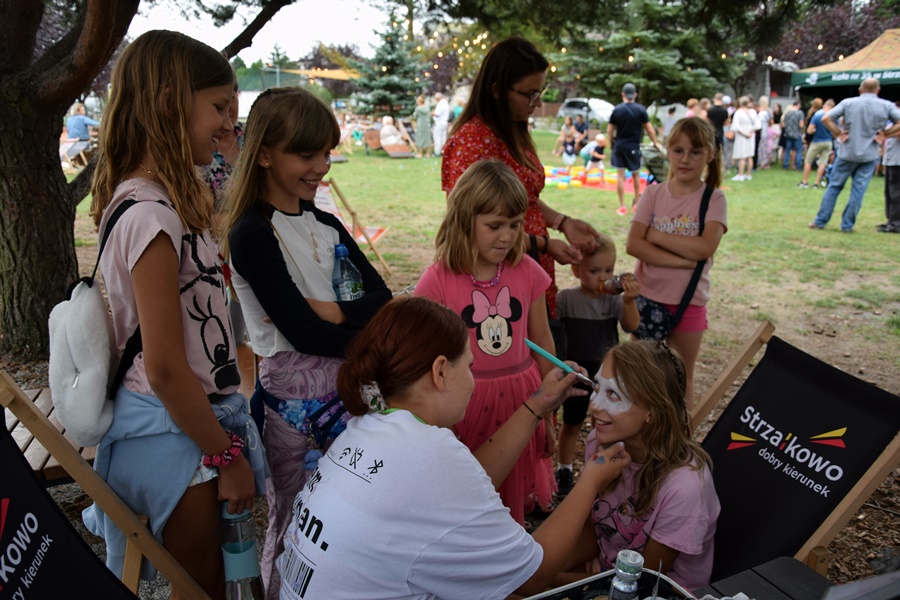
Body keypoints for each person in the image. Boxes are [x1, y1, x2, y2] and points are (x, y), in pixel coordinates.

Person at [275, 296, 631, 600]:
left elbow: (459, 493)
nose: (472, 381)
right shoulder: (429, 451)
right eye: (470, 366)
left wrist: (538, 404)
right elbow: (532, 576)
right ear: (441, 371)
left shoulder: (368, 427)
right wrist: (590, 482)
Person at [82, 30, 266, 599]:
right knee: (203, 585)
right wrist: (225, 455)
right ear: (168, 103)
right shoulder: (150, 215)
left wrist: (226, 147)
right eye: (218, 107)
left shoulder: (163, 199)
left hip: (180, 428)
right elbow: (163, 368)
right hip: (173, 436)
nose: (228, 125)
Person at [223, 87, 392, 598]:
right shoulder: (252, 233)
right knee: (295, 518)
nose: (322, 165)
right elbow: (302, 332)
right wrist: (367, 337)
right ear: (265, 152)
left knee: (361, 509)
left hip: (352, 391)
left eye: (326, 152)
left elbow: (381, 299)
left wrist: (336, 309)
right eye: (307, 153)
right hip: (290, 410)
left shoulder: (326, 223)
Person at [415, 159, 558, 524]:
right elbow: (423, 357)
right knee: (470, 494)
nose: (507, 237)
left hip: (522, 399)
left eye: (514, 225)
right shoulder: (437, 280)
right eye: (494, 226)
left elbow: (541, 339)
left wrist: (548, 411)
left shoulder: (528, 271)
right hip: (465, 406)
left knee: (513, 496)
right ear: (465, 219)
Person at [441, 36, 599, 343]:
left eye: (539, 93)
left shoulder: (512, 130)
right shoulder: (472, 140)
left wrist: (562, 223)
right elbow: (467, 223)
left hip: (527, 267)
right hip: (495, 282)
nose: (537, 103)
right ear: (498, 91)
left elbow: (526, 199)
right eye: (529, 94)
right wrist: (542, 244)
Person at [561, 341, 720, 591]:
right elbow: (596, 526)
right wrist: (549, 567)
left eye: (613, 394)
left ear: (653, 410)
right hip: (605, 574)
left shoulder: (684, 489)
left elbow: (643, 582)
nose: (595, 404)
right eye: (598, 387)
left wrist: (551, 580)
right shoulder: (602, 446)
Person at [626, 117, 727, 408]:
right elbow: (634, 245)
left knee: (682, 377)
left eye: (695, 152)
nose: (685, 159)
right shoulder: (654, 194)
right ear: (668, 151)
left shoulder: (714, 200)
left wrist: (655, 235)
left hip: (689, 304)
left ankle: (680, 442)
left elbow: (705, 246)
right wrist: (684, 261)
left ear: (709, 155)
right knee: (640, 374)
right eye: (678, 151)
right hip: (646, 299)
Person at [554, 234, 640, 497]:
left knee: (609, 424)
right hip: (577, 373)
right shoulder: (566, 299)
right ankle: (565, 468)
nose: (602, 277)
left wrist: (629, 301)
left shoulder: (614, 301)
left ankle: (608, 470)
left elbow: (632, 326)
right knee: (572, 422)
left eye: (609, 270)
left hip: (606, 375)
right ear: (576, 270)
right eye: (594, 271)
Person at [810, 78, 900, 233]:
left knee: (834, 187)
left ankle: (820, 221)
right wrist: (885, 133)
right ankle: (847, 225)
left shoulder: (848, 103)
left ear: (860, 90)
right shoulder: (886, 105)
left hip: (847, 152)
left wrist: (838, 133)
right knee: (858, 191)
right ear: (878, 90)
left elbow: (826, 118)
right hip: (869, 154)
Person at [607, 82, 662, 215]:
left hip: (619, 145)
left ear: (623, 95)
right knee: (636, 175)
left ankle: (621, 206)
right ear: (635, 95)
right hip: (633, 146)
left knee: (620, 176)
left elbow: (610, 129)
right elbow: (649, 128)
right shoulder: (640, 110)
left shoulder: (617, 110)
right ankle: (636, 204)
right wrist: (655, 142)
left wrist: (611, 144)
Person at [798, 99, 835, 189]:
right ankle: (816, 183)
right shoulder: (834, 117)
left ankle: (805, 182)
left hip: (817, 141)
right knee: (823, 162)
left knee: (808, 160)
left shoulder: (817, 116)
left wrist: (815, 130)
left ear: (824, 106)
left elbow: (809, 130)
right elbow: (835, 131)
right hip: (828, 142)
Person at [879, 101, 900, 233]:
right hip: (892, 159)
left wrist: (885, 134)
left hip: (898, 160)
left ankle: (896, 223)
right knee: (889, 192)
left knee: (896, 192)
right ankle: (891, 220)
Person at [730, 96, 756, 181]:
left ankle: (740, 174)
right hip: (751, 135)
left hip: (742, 136)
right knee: (749, 156)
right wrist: (750, 132)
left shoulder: (738, 112)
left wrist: (745, 134)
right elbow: (757, 125)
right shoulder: (753, 112)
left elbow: (735, 126)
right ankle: (748, 174)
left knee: (742, 156)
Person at [781, 100, 806, 171]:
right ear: (798, 105)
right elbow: (801, 125)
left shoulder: (787, 113)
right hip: (797, 134)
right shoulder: (799, 113)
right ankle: (798, 166)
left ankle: (785, 166)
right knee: (798, 150)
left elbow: (784, 124)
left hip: (788, 134)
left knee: (787, 150)